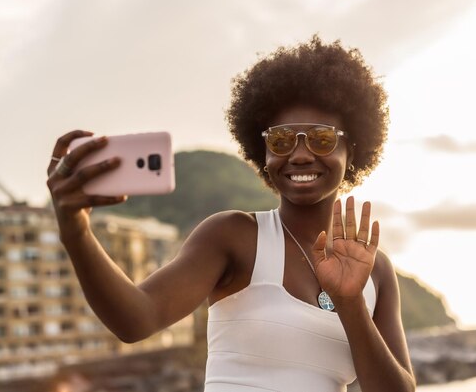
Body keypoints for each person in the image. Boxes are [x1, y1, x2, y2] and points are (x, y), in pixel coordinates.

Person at [46, 36, 416, 392]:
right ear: (263, 152)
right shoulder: (233, 236)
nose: (300, 155)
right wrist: (76, 231)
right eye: (281, 140)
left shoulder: (375, 270)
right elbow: (135, 319)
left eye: (321, 139)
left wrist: (351, 304)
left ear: (352, 148)